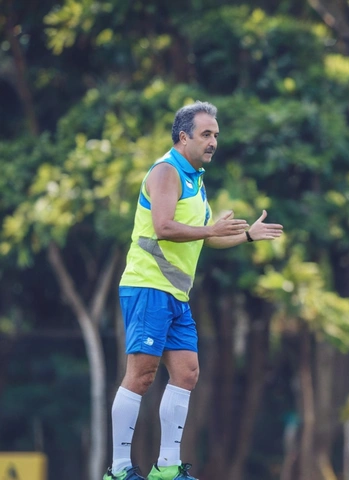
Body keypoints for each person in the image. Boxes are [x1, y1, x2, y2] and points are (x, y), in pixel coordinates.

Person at [103, 101, 284, 480]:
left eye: (216, 134)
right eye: (206, 134)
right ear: (183, 137)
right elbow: (164, 227)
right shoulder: (167, 171)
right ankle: (119, 469)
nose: (213, 141)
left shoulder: (195, 179)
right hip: (147, 286)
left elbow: (205, 239)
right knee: (141, 375)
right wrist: (211, 230)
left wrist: (246, 236)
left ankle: (167, 468)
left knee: (186, 372)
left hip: (175, 294)